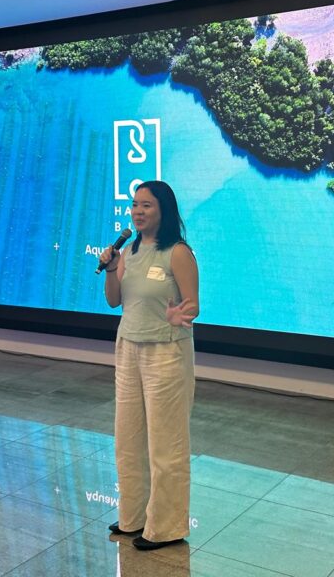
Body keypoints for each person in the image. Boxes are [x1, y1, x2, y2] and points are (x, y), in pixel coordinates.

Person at [100, 180, 198, 551]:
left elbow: (192, 305)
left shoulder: (178, 252)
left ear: (163, 210)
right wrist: (111, 268)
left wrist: (176, 316)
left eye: (147, 206)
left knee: (166, 443)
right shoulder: (129, 251)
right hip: (128, 349)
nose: (138, 212)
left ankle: (166, 527)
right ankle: (133, 517)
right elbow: (114, 301)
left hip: (166, 352)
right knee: (128, 439)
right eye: (135, 205)